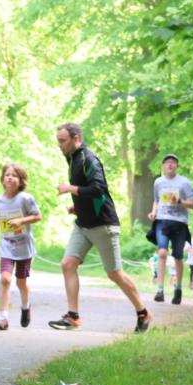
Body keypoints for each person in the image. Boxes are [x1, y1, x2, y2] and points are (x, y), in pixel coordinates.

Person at [48, 123, 151, 333]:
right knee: (68, 264)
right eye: (58, 141)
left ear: (76, 139)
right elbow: (86, 192)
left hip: (103, 225)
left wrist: (69, 189)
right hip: (83, 224)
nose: (60, 145)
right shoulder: (72, 158)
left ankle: (143, 312)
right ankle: (73, 316)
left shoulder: (89, 158)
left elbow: (98, 189)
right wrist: (77, 207)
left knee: (115, 274)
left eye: (63, 141)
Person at [0, 163, 41, 331]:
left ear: (21, 181)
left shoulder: (25, 198)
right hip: (7, 245)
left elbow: (38, 216)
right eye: (7, 175)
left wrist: (21, 221)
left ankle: (26, 306)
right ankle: (3, 317)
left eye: (15, 175)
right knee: (5, 279)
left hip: (24, 246)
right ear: (3, 179)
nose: (10, 177)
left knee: (21, 282)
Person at [148, 154, 193, 304]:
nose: (170, 165)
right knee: (162, 252)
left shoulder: (184, 183)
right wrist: (153, 212)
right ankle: (160, 290)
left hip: (179, 222)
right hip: (162, 221)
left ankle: (178, 289)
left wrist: (180, 201)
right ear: (162, 166)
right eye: (167, 163)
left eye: (173, 163)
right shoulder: (158, 182)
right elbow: (156, 200)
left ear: (177, 166)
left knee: (178, 256)